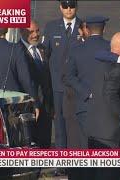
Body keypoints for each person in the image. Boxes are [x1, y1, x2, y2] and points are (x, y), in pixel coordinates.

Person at [63, 16, 111, 180]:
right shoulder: (110, 48)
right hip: (107, 106)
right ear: (103, 29)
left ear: (87, 30)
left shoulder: (77, 50)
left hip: (85, 105)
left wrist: (85, 92)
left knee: (85, 146)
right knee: (104, 148)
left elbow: (68, 76)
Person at [86, 32, 120, 180]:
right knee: (110, 174)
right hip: (110, 133)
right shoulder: (118, 69)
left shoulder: (101, 63)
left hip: (96, 130)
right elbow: (110, 94)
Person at [42, 0, 82, 149]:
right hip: (58, 84)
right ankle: (61, 162)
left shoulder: (83, 26)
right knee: (59, 124)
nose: (69, 9)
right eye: (65, 6)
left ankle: (76, 160)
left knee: (76, 123)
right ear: (60, 7)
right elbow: (45, 54)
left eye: (71, 6)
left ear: (76, 7)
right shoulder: (51, 27)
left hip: (77, 85)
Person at [19, 20, 53, 148]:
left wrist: (52, 106)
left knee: (45, 145)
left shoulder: (43, 49)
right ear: (21, 32)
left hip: (46, 109)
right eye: (31, 31)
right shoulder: (17, 51)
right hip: (28, 107)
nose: (35, 35)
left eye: (37, 31)